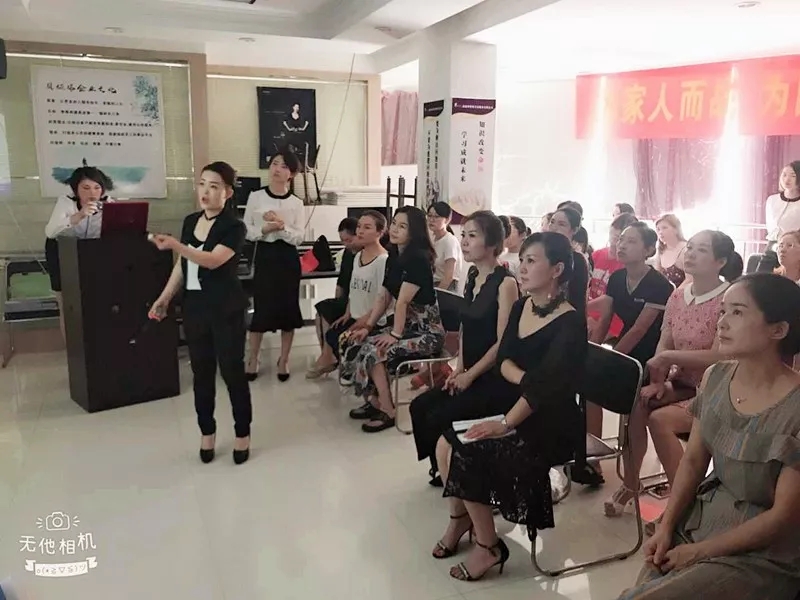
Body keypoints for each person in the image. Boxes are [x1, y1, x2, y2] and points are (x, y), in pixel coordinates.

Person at [618, 273, 800, 600]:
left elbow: (783, 516)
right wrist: (667, 525)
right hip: (704, 516)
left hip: (764, 549)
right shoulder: (716, 376)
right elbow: (693, 462)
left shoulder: (795, 405)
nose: (722, 322)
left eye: (738, 312)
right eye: (723, 311)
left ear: (778, 330)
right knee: (644, 588)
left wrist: (699, 552)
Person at [432, 232, 587, 582]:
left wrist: (505, 423)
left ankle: (488, 546)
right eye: (523, 259)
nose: (522, 267)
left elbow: (547, 390)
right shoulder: (523, 306)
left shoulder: (570, 321)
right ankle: (461, 521)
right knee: (444, 443)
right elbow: (504, 360)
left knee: (466, 451)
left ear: (557, 269)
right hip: (519, 403)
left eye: (532, 261)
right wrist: (528, 380)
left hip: (552, 421)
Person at [604, 231, 743, 517]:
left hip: (720, 388)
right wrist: (659, 381)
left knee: (660, 420)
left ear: (720, 261)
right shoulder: (679, 294)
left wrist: (668, 358)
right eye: (689, 247)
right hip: (683, 382)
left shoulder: (729, 299)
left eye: (701, 250)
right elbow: (664, 341)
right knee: (640, 404)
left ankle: (683, 503)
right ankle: (631, 483)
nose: (690, 253)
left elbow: (719, 356)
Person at [149, 162, 251, 465]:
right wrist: (164, 298)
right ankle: (207, 432)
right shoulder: (190, 221)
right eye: (202, 184)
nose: (205, 191)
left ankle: (242, 432)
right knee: (201, 374)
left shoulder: (234, 226)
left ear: (227, 192)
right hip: (195, 308)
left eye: (214, 186)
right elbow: (182, 266)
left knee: (232, 373)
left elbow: (211, 260)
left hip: (226, 309)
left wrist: (177, 245)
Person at [410, 211, 518, 487]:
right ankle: (442, 468)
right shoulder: (472, 275)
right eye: (464, 235)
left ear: (492, 243)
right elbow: (465, 327)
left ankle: (458, 473)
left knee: (441, 414)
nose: (465, 241)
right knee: (420, 406)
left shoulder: (505, 283)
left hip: (492, 378)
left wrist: (470, 375)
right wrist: (458, 368)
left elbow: (502, 343)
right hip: (468, 370)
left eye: (472, 236)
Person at [341, 206, 445, 433]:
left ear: (414, 231)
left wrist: (394, 335)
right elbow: (384, 295)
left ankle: (387, 410)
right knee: (356, 341)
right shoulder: (394, 255)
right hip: (406, 327)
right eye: (395, 223)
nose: (395, 229)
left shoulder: (418, 258)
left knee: (375, 351)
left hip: (427, 333)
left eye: (403, 226)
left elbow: (403, 302)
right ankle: (373, 401)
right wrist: (368, 326)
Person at [590, 222, 674, 474]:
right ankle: (592, 460)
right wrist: (593, 349)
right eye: (621, 240)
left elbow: (640, 329)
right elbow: (606, 315)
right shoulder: (617, 278)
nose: (622, 245)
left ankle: (632, 478)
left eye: (631, 241)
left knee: (634, 414)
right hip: (624, 348)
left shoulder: (659, 285)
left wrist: (611, 358)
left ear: (648, 250)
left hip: (650, 355)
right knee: (588, 388)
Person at [243, 149, 305, 382]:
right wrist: (265, 229)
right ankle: (253, 358)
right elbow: (247, 230)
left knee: (288, 311)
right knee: (261, 309)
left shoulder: (296, 202)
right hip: (265, 256)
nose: (277, 169)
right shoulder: (256, 196)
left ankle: (284, 359)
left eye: (284, 166)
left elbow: (299, 237)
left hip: (287, 258)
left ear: (292, 174)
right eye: (274, 163)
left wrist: (282, 226)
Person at [306, 211, 388, 379]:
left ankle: (351, 371)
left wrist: (365, 321)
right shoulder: (357, 256)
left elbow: (384, 298)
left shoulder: (384, 260)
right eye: (359, 227)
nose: (361, 231)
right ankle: (331, 360)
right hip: (355, 313)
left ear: (380, 232)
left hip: (372, 318)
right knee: (332, 332)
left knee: (342, 337)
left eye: (367, 227)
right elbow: (352, 288)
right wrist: (347, 313)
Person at [44, 165, 115, 339]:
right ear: (75, 189)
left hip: (92, 254)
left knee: (94, 301)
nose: (92, 193)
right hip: (62, 252)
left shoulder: (109, 204)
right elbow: (50, 232)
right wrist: (79, 215)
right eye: (86, 188)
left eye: (97, 188)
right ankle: (71, 347)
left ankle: (95, 344)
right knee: (67, 304)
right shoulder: (65, 202)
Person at [588, 213, 639, 342]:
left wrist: (608, 331)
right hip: (587, 316)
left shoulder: (627, 265)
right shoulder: (596, 255)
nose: (617, 233)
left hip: (611, 325)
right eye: (615, 227)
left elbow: (621, 306)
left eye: (623, 229)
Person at [313, 218, 359, 351]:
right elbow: (342, 282)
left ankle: (328, 355)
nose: (346, 244)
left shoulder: (366, 255)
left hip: (358, 301)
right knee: (322, 311)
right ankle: (325, 352)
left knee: (325, 309)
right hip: (346, 299)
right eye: (342, 240)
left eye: (348, 240)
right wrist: (337, 300)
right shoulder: (348, 253)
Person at [760, 161, 800, 272]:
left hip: (794, 247)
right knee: (761, 274)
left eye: (793, 176)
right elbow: (770, 226)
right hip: (773, 244)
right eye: (784, 175)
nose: (787, 179)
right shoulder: (772, 200)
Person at [427, 201, 464, 292]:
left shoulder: (449, 241)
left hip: (446, 288)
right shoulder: (433, 238)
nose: (431, 220)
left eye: (436, 216)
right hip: (433, 284)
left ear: (447, 220)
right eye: (429, 215)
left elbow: (448, 277)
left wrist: (435, 295)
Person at [655, 214, 688, 288]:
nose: (660, 232)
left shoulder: (686, 249)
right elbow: (657, 276)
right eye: (658, 229)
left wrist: (675, 294)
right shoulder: (661, 250)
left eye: (664, 228)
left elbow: (690, 279)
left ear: (676, 229)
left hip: (684, 292)